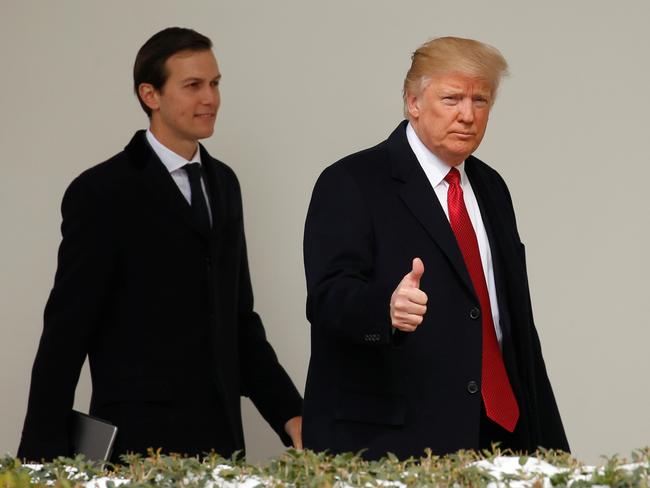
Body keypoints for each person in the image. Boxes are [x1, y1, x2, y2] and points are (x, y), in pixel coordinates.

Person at [17, 27, 302, 463]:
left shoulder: (224, 184)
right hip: (137, 449)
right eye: (193, 86)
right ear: (150, 94)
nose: (210, 98)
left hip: (221, 447)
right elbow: (66, 333)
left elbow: (238, 320)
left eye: (215, 83)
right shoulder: (102, 192)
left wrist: (292, 415)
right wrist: (38, 459)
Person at [302, 36, 569, 459]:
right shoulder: (351, 181)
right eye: (451, 98)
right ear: (413, 102)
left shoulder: (491, 186)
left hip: (499, 432)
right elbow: (327, 299)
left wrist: (549, 443)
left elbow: (509, 321)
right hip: (395, 442)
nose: (468, 115)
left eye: (480, 100)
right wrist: (385, 309)